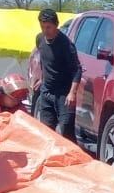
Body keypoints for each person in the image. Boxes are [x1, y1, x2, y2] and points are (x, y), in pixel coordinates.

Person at [33, 8, 81, 138]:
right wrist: (41, 78)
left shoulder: (66, 45)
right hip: (47, 92)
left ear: (56, 25)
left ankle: (72, 158)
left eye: (48, 27)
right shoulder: (40, 39)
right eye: (42, 27)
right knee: (45, 131)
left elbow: (77, 70)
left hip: (64, 95)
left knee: (66, 131)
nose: (45, 30)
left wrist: (72, 93)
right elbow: (43, 59)